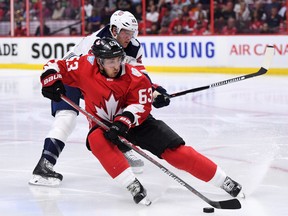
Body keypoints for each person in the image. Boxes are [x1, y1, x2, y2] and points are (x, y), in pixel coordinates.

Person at [39, 37, 242, 205]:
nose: (116, 65)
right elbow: (55, 64)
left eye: (118, 59)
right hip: (103, 125)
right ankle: (132, 184)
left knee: (175, 152)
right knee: (96, 140)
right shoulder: (84, 65)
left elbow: (141, 106)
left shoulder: (135, 76)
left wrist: (122, 122)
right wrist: (50, 80)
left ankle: (224, 181)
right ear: (98, 61)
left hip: (137, 123)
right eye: (110, 61)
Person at [29, 10, 170, 186]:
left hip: (94, 78)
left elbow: (137, 77)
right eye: (125, 32)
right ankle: (44, 165)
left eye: (132, 32)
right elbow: (95, 81)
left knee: (119, 107)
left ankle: (121, 146)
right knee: (67, 119)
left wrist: (154, 92)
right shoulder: (97, 44)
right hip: (71, 76)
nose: (129, 37)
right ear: (113, 30)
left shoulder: (134, 46)